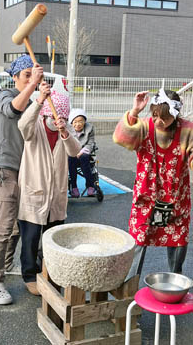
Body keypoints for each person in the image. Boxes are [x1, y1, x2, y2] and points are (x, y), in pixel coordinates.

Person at [113, 88, 193, 280]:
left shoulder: (187, 129)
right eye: (155, 115)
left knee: (178, 240)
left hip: (176, 197)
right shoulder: (144, 126)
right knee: (138, 240)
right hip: (146, 196)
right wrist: (134, 112)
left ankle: (176, 283)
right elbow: (120, 138)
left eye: (164, 118)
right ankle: (129, 288)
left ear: (175, 115)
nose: (158, 121)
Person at [0, 54, 44, 305]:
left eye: (33, 74)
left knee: (17, 228)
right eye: (26, 75)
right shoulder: (5, 96)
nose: (30, 79)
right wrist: (34, 85)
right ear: (15, 77)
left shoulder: (30, 100)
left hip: (24, 172)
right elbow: (13, 109)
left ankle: (6, 266)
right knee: (3, 228)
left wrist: (40, 98)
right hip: (2, 171)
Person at [18, 90, 81, 296]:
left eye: (63, 117)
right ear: (46, 114)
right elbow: (22, 126)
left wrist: (65, 133)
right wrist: (38, 101)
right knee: (30, 237)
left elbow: (75, 150)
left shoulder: (67, 129)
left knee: (52, 237)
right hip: (33, 193)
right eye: (55, 116)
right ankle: (29, 275)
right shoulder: (35, 126)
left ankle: (50, 272)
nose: (58, 120)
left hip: (56, 196)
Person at [68, 108, 96, 197]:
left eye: (81, 121)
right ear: (71, 122)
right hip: (72, 154)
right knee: (71, 158)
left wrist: (82, 152)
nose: (78, 124)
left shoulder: (89, 128)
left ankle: (90, 186)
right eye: (75, 121)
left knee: (84, 157)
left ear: (85, 121)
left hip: (85, 154)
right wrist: (74, 152)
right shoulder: (67, 130)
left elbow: (91, 143)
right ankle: (74, 187)